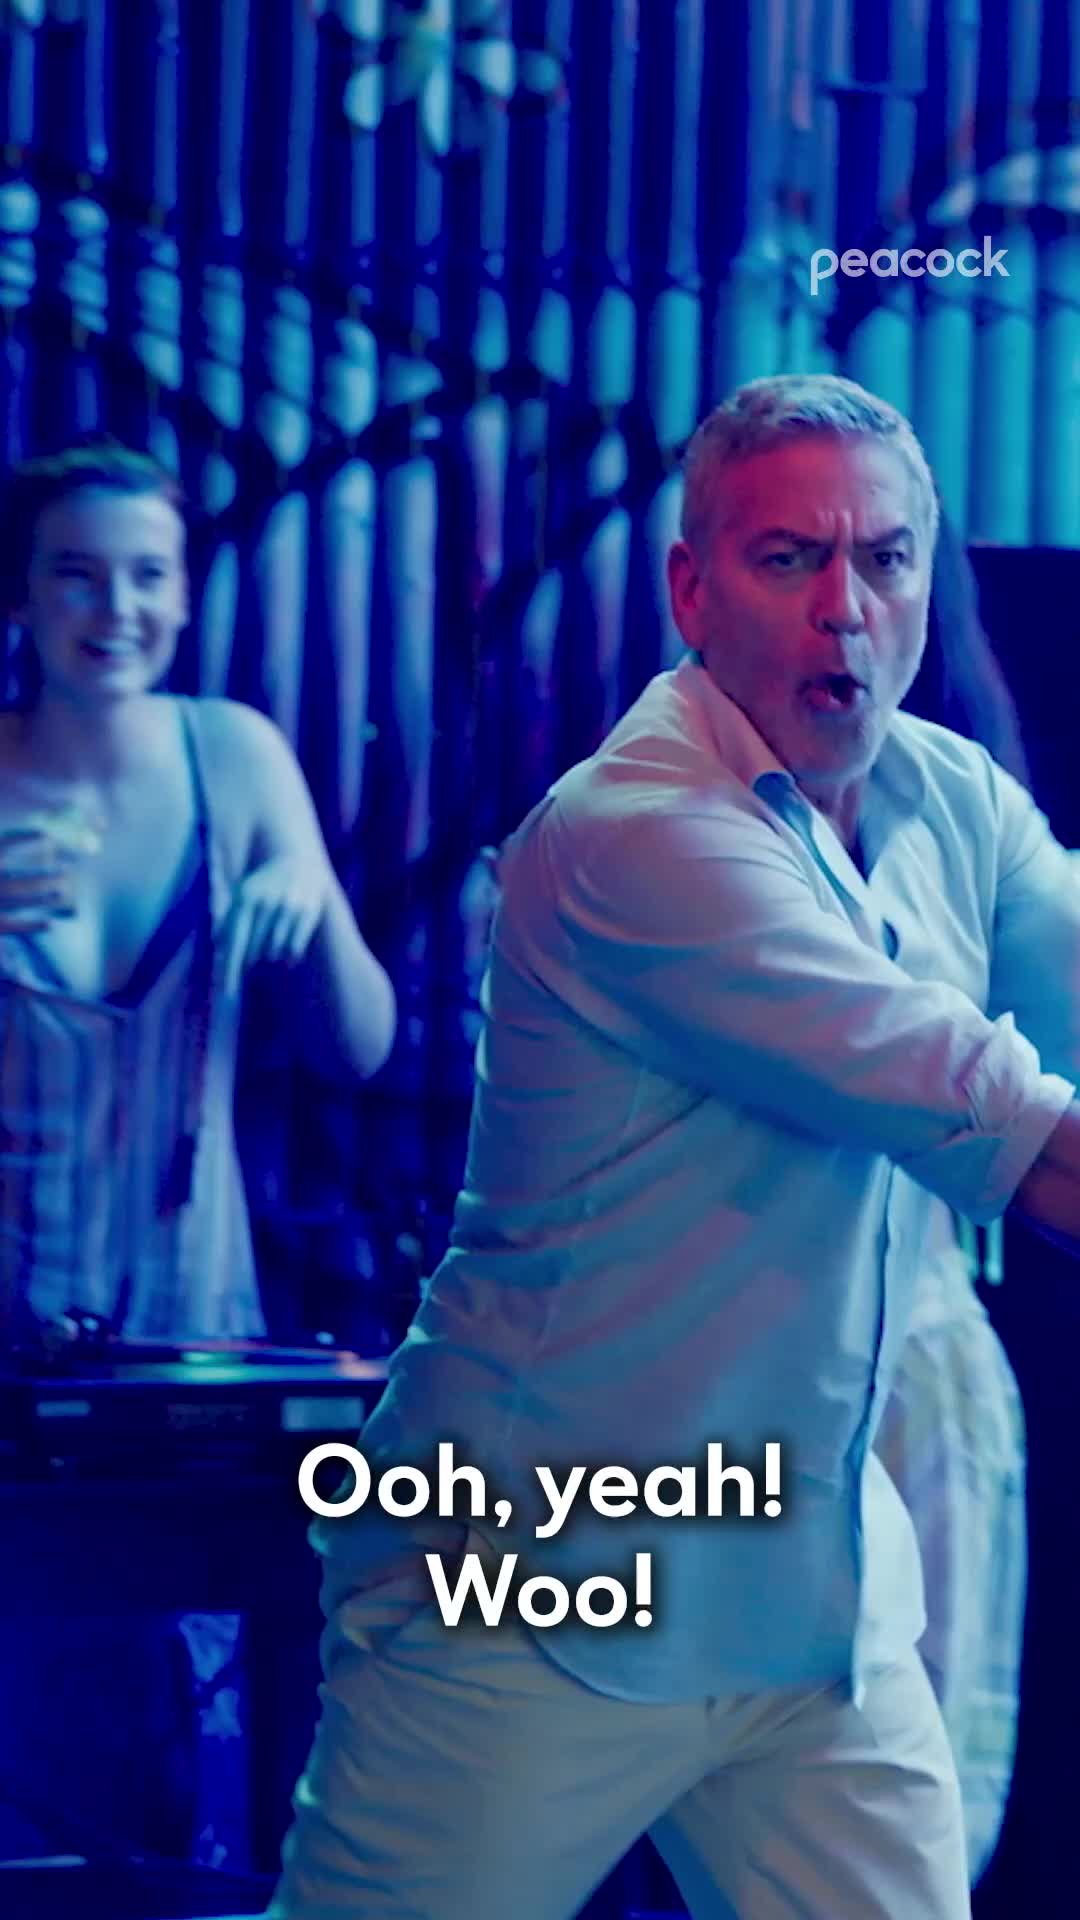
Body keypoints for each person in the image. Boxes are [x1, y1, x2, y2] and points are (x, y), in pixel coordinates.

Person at [270, 374, 1080, 1920]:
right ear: (691, 590)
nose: (847, 607)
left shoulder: (948, 797)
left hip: (807, 1592)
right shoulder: (640, 833)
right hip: (539, 1580)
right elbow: (1013, 1133)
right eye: (790, 558)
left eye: (886, 559)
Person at [0, 437, 396, 1344]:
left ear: (183, 595)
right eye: (76, 575)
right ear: (19, 596)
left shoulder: (233, 757)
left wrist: (314, 893)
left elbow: (356, 1054)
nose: (118, 609)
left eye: (148, 575)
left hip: (192, 1320)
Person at [875, 517, 1032, 1886]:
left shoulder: (970, 828)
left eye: (878, 560)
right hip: (720, 1383)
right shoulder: (665, 812)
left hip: (909, 1358)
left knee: (913, 1828)